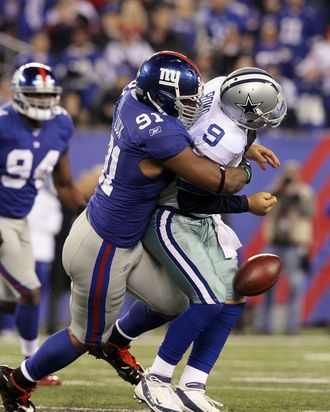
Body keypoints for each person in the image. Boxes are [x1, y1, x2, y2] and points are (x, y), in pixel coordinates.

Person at [0, 51, 253, 412]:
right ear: (163, 98)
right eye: (185, 101)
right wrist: (246, 163)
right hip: (104, 246)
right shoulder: (159, 134)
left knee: (173, 301)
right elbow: (219, 181)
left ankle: (116, 343)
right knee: (84, 337)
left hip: (122, 234)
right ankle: (17, 383)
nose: (192, 107)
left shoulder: (133, 94)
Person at [106, 67, 287, 412]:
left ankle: (193, 384)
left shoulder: (220, 88)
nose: (269, 117)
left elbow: (213, 132)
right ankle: (156, 379)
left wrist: (249, 150)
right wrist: (246, 202)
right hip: (173, 215)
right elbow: (193, 199)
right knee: (207, 300)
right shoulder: (224, 141)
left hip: (199, 217)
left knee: (234, 297)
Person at [0, 61, 85, 394]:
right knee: (29, 291)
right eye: (35, 96)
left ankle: (28, 362)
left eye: (47, 96)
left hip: (19, 217)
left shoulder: (61, 123)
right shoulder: (4, 124)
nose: (42, 103)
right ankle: (31, 366)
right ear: (18, 95)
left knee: (14, 301)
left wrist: (87, 214)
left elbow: (63, 182)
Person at [256, 160, 315, 335]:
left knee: (295, 286)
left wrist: (295, 194)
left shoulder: (305, 192)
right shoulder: (277, 190)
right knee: (267, 286)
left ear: (298, 174)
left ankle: (292, 326)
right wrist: (279, 188)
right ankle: (265, 325)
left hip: (295, 245)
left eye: (293, 173)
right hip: (274, 243)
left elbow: (309, 212)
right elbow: (264, 204)